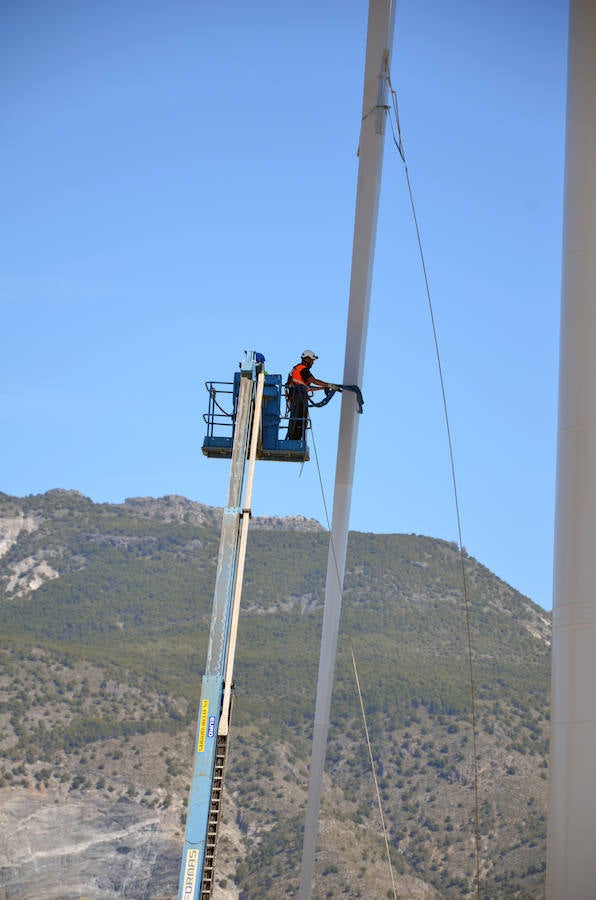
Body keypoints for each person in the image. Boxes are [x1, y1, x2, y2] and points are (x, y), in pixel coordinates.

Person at [286, 350, 338, 440]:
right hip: (299, 401)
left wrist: (322, 388)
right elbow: (314, 381)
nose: (313, 363)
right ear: (307, 359)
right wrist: (329, 385)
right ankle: (295, 441)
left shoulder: (297, 369)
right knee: (299, 424)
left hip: (296, 399)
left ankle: (294, 440)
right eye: (312, 360)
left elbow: (307, 388)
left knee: (297, 424)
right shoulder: (303, 369)